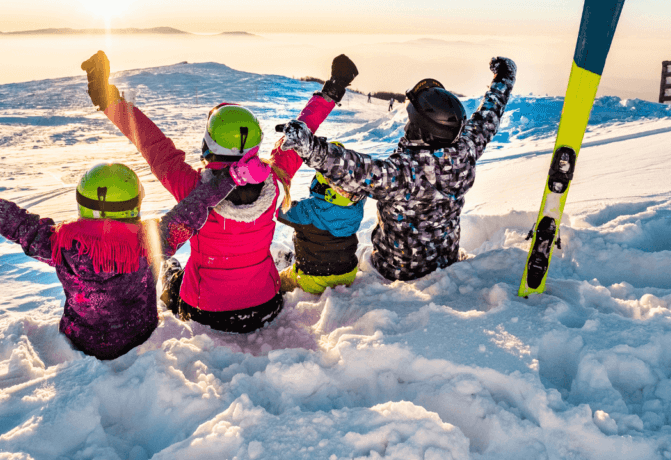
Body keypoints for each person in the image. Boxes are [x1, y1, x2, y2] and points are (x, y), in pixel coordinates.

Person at [81, 51, 359, 333]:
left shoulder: (192, 190)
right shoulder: (274, 181)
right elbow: (302, 132)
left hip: (205, 311)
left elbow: (152, 144)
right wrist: (332, 89)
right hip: (265, 305)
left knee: (172, 273)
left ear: (209, 144)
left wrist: (108, 100)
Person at [0, 153, 269, 360]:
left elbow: (8, 217)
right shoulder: (152, 243)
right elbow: (195, 208)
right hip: (140, 335)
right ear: (135, 204)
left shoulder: (57, 243)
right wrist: (232, 178)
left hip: (82, 340)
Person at [279, 56, 516, 282]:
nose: (407, 124)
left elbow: (354, 169)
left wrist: (310, 147)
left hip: (395, 270)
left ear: (420, 130)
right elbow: (487, 118)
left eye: (411, 120)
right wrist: (503, 78)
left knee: (355, 258)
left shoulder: (404, 173)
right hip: (445, 260)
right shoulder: (466, 150)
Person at [276, 149, 368, 295]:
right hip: (348, 274)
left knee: (277, 281)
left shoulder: (306, 210)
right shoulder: (357, 207)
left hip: (313, 279)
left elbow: (279, 210)